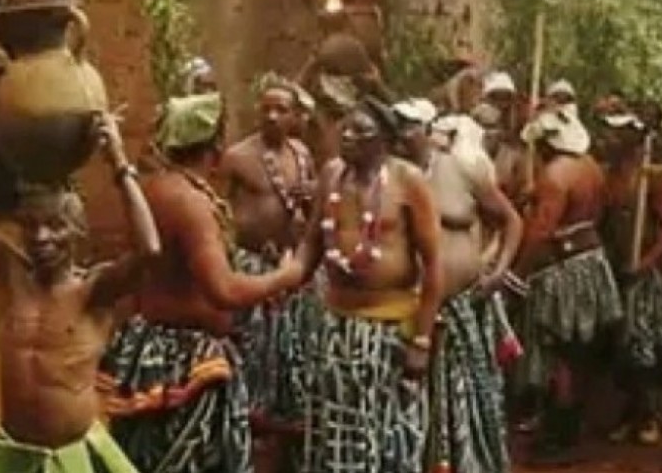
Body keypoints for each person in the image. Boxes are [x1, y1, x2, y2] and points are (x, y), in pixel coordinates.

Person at [0, 57, 160, 472]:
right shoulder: (10, 274)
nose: (40, 238)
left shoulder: (93, 291)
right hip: (15, 455)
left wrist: (118, 162)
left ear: (77, 232)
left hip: (73, 457)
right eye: (30, 226)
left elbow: (149, 251)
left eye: (54, 227)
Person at [97, 92, 304, 473]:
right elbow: (222, 290)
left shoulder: (157, 189)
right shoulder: (190, 204)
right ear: (216, 145)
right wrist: (283, 277)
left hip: (154, 348)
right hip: (185, 359)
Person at [294, 97, 444, 473]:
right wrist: (278, 282)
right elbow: (311, 244)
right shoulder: (331, 175)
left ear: (385, 141)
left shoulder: (408, 180)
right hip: (336, 327)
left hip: (390, 333)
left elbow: (434, 265)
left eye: (361, 131)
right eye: (345, 127)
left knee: (389, 433)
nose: (347, 135)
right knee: (335, 430)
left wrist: (422, 341)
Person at [396, 102, 524, 473]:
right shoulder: (390, 175)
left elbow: (511, 221)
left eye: (410, 126)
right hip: (406, 311)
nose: (403, 133)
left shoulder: (460, 169)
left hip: (459, 308)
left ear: (428, 130)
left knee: (464, 406)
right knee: (412, 406)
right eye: (397, 125)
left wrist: (498, 269)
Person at [513, 105, 624, 464]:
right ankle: (568, 426)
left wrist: (517, 273)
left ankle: (560, 434)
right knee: (578, 351)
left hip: (565, 269)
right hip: (593, 261)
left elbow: (542, 231)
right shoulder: (590, 166)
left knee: (559, 350)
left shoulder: (554, 177)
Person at [220, 73, 321, 465]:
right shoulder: (238, 157)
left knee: (290, 358)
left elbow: (312, 215)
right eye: (267, 110)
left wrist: (309, 200)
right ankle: (245, 432)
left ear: (295, 115)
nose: (273, 117)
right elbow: (217, 209)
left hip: (292, 268)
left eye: (282, 110)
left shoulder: (302, 154)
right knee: (250, 351)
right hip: (250, 267)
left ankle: (285, 440)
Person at [596, 103, 662, 446]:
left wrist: (646, 263)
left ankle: (649, 416)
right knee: (622, 349)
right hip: (617, 270)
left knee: (643, 349)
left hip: (643, 275)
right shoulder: (609, 176)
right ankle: (632, 413)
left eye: (615, 134)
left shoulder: (647, 179)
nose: (607, 138)